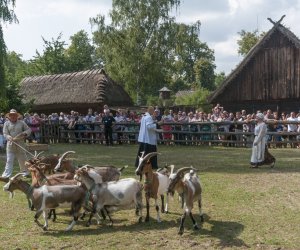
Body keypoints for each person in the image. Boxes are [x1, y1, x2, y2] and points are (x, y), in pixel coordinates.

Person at [1, 109, 32, 180]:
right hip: (10, 145)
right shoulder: (6, 123)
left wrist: (24, 133)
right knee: (9, 160)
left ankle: (25, 172)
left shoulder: (22, 123)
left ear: (16, 116)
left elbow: (29, 130)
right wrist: (8, 137)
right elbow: (5, 133)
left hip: (20, 144)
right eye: (11, 115)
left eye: (14, 115)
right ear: (9, 116)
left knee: (23, 160)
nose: (13, 116)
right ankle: (6, 175)